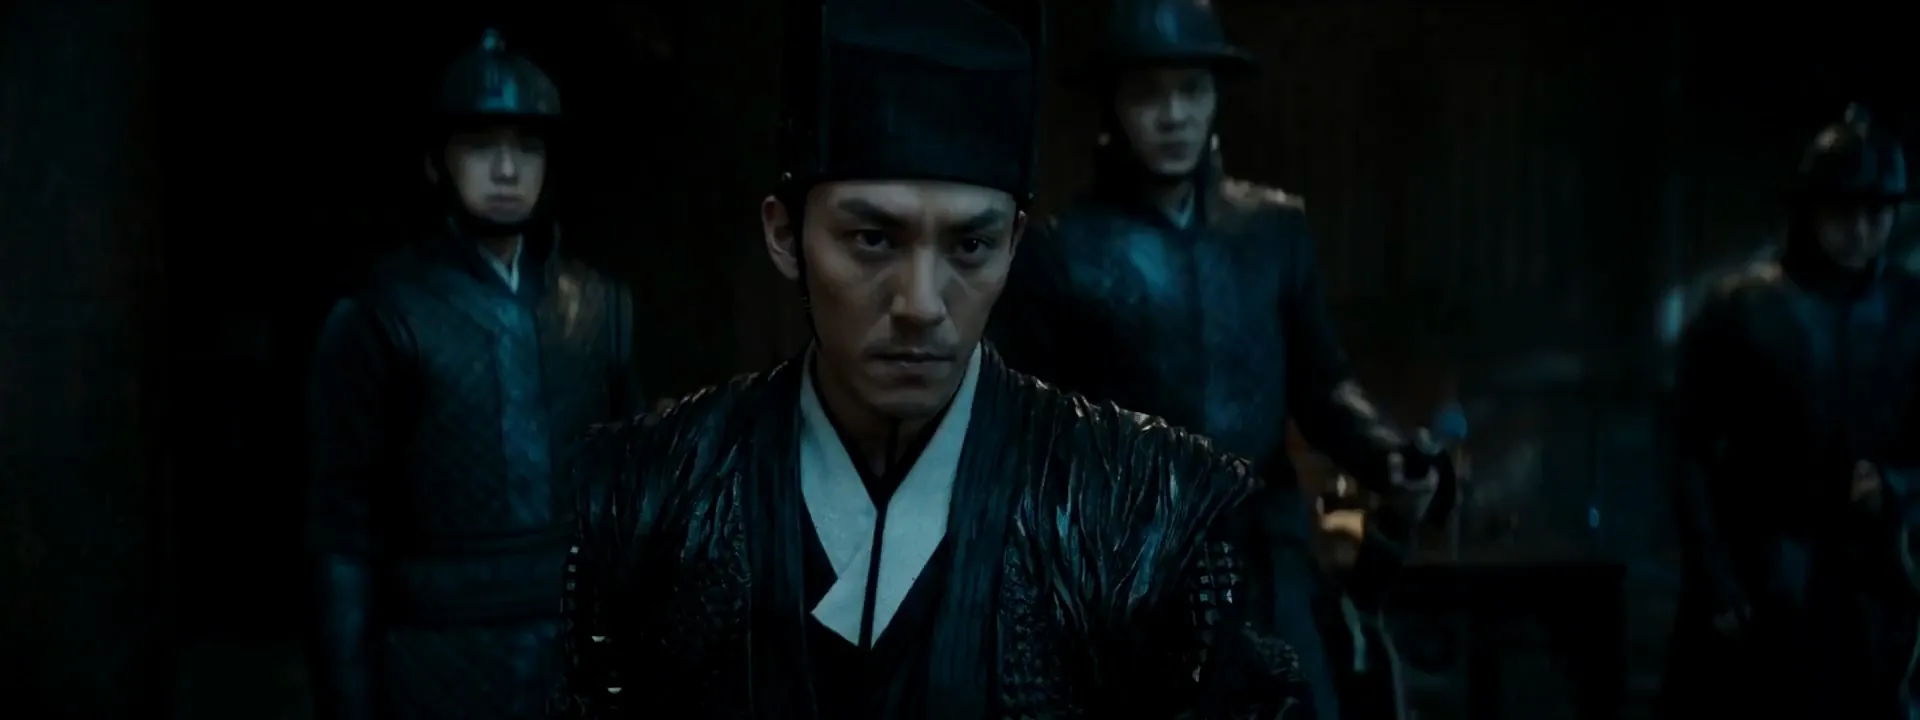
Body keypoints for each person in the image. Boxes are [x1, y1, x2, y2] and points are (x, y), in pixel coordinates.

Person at [552, 0, 1327, 717]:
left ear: (1014, 244)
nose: (922, 303)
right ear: (785, 235)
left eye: (970, 245)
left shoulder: (1147, 512)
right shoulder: (649, 496)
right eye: (872, 239)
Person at [990, 1, 1445, 716]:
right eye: (1149, 94)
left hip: (1267, 550)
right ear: (1114, 104)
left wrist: (1387, 457)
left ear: (1214, 98)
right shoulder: (1063, 251)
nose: (1173, 115)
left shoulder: (1273, 231)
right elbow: (1029, 433)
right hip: (1132, 565)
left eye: (1191, 90)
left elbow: (1322, 385)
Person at [306, 29, 643, 720]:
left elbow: (632, 497)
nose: (507, 170)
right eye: (482, 147)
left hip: (574, 651)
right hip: (434, 658)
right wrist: (349, 696)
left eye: (528, 148)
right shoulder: (384, 315)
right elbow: (341, 534)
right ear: (437, 163)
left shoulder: (599, 308)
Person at [1660, 104, 1920, 719]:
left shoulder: (1910, 310)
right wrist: (1716, 578)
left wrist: (1895, 483)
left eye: (1876, 213)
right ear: (1810, 209)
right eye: (1842, 211)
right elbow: (1685, 445)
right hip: (1762, 575)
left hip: (1873, 590)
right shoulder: (1743, 306)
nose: (1859, 229)